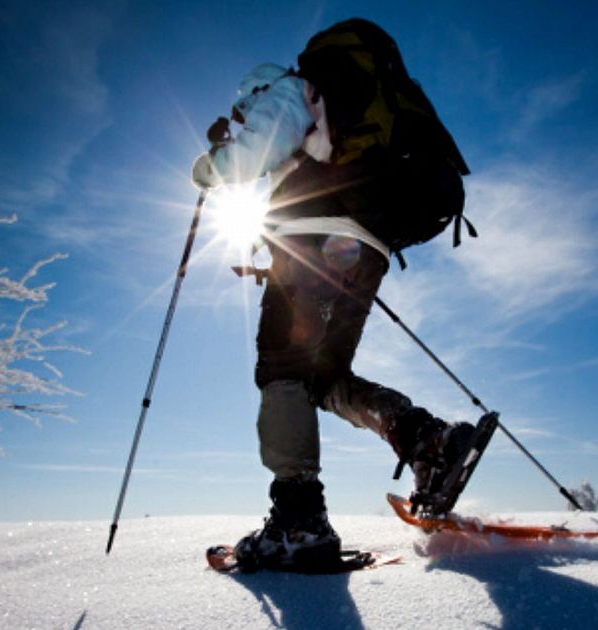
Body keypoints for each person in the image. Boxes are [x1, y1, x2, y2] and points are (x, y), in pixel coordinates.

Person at [191, 23, 476, 572]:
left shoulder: (286, 89)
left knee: (283, 370)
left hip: (315, 242)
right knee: (324, 378)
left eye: (245, 112)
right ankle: (427, 441)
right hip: (365, 248)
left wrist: (212, 168)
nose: (245, 119)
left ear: (253, 94)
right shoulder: (340, 111)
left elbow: (253, 153)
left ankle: (298, 521)